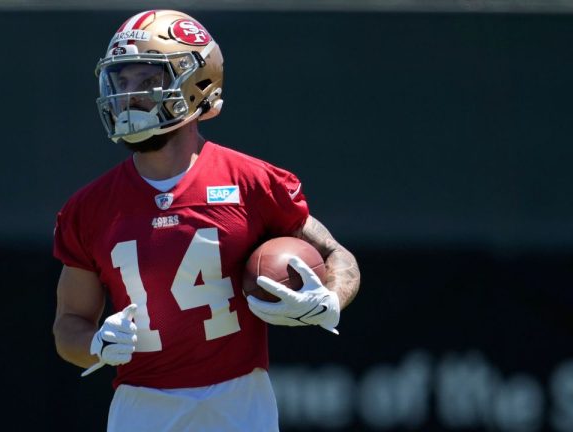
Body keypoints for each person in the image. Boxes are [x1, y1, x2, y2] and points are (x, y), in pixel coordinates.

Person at [52, 9, 360, 431]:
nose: (129, 95)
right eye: (121, 81)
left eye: (148, 79)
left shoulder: (249, 182)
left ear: (197, 85)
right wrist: (96, 344)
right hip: (142, 407)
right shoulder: (88, 208)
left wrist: (329, 299)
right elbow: (69, 325)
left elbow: (336, 254)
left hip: (240, 402)